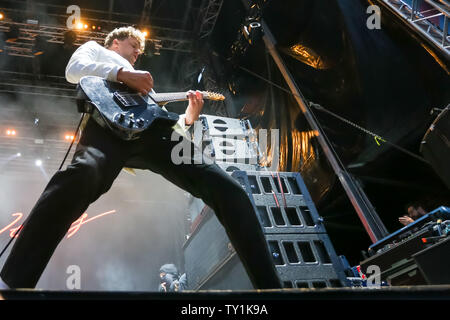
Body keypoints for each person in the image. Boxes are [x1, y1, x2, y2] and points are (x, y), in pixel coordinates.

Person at [0, 26, 281, 290]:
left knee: (228, 189)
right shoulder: (96, 51)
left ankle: (270, 289)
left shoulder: (149, 91)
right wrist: (122, 74)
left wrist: (189, 118)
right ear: (115, 42)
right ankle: (13, 283)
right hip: (106, 129)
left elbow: (159, 120)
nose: (137, 52)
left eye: (139, 50)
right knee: (80, 177)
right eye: (133, 45)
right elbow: (73, 70)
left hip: (153, 136)